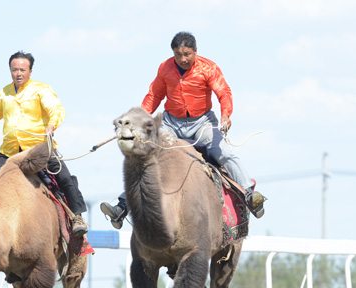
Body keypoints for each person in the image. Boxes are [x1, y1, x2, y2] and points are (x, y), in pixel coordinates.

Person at [101, 32, 266, 229]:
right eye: (178, 54)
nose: (183, 59)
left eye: (187, 54)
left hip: (203, 122)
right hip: (171, 123)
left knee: (221, 151)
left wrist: (225, 115)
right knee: (146, 155)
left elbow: (223, 92)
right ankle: (121, 207)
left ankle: (249, 194)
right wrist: (140, 121)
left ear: (195, 51)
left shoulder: (208, 68)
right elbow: (154, 96)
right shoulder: (165, 68)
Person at [0, 51, 88, 237]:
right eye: (14, 70)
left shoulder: (41, 90)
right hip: (10, 151)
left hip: (39, 149)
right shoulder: (4, 94)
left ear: (30, 71)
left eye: (22, 70)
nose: (18, 73)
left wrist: (52, 125)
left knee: (65, 179)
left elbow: (56, 109)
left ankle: (77, 217)